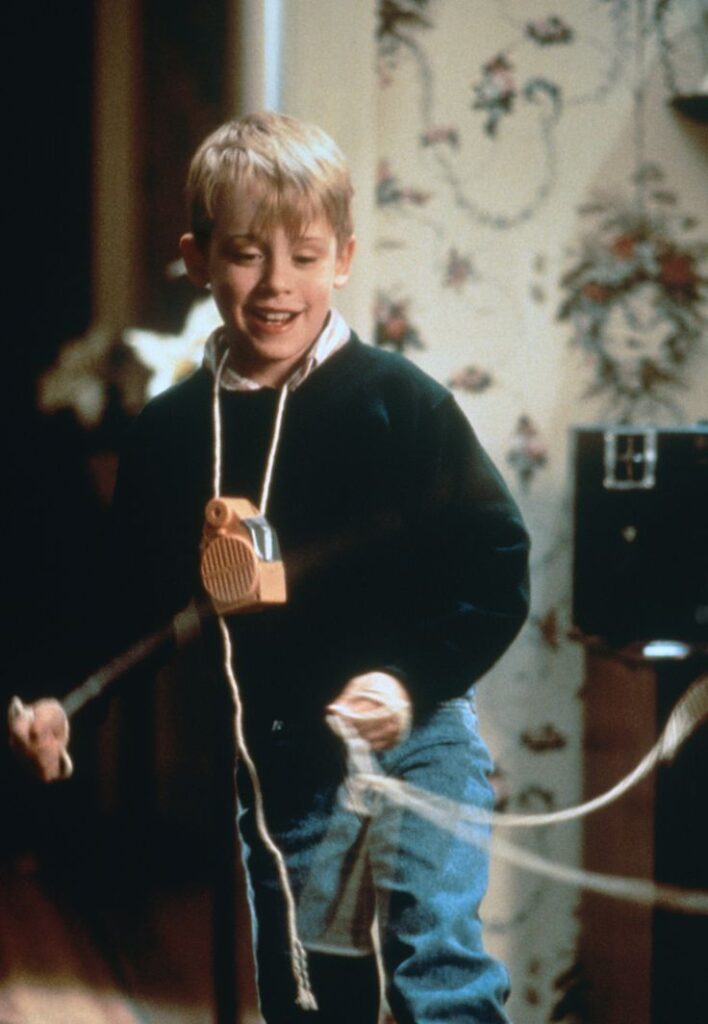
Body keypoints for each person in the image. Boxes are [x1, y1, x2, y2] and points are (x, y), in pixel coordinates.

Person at [9, 112, 530, 1023]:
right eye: (247, 254)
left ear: (345, 258)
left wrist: (407, 683)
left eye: (305, 254)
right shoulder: (170, 434)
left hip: (422, 738)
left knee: (436, 973)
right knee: (306, 993)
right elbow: (123, 603)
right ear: (198, 257)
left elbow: (496, 569)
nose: (277, 284)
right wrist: (65, 699)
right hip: (280, 759)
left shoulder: (401, 406)